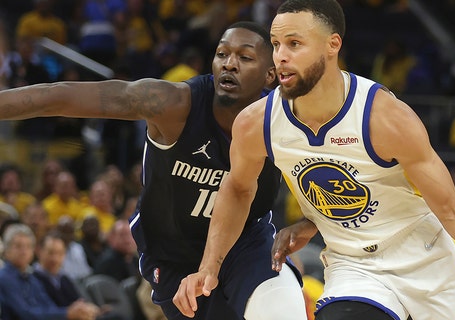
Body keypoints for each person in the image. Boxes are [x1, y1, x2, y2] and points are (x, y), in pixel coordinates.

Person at [172, 1, 455, 320]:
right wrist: (209, 267)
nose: (281, 57)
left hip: (425, 257)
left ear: (331, 45)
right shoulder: (257, 123)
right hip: (354, 265)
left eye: (294, 43)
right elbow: (237, 189)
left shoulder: (385, 117)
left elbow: (451, 208)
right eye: (275, 44)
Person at [0, 21, 306, 320]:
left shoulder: (286, 120)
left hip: (246, 242)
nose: (229, 64)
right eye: (222, 53)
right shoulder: (173, 105)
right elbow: (62, 95)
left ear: (270, 75)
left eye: (245, 57)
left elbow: (344, 171)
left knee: (282, 309)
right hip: (174, 254)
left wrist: (309, 223)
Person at [0, 223, 100, 319]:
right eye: (18, 246)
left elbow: (49, 307)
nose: (24, 251)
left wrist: (78, 310)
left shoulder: (31, 278)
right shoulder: (4, 278)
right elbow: (26, 314)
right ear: (7, 251)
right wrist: (67, 313)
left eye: (28, 246)